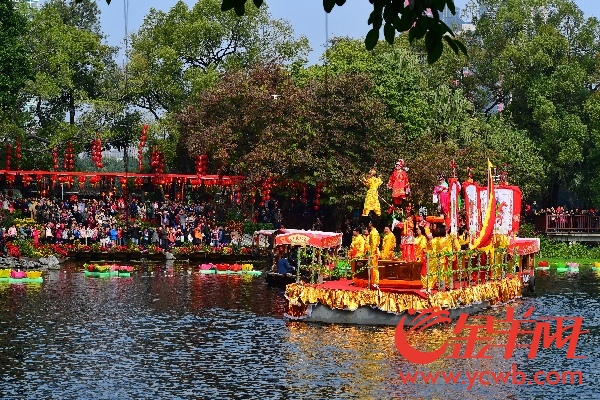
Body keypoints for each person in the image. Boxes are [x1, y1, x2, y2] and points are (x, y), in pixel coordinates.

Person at [367, 221, 380, 286]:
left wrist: (372, 253)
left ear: (371, 224)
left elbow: (374, 244)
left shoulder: (374, 232)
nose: (368, 224)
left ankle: (376, 282)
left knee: (374, 267)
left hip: (374, 252)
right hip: (371, 251)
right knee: (372, 267)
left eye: (369, 223)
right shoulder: (372, 232)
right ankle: (373, 281)